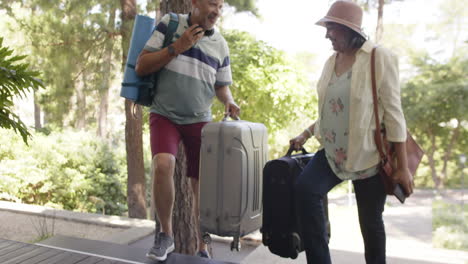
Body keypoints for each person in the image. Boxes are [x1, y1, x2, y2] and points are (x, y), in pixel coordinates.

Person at [289, 1, 413, 263]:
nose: (327, 35)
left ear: (349, 30)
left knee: (370, 224)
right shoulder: (329, 62)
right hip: (332, 153)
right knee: (305, 189)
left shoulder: (379, 58)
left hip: (368, 156)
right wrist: (305, 133)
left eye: (331, 28)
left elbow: (394, 114)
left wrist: (403, 167)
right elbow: (331, 111)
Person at [135, 0, 240, 261]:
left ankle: (203, 245)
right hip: (164, 113)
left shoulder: (220, 44)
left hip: (199, 120)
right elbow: (142, 65)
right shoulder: (169, 24)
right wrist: (177, 47)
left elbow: (221, 85)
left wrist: (229, 100)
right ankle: (166, 236)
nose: (216, 11)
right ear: (194, 2)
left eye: (220, 6)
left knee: (201, 185)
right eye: (212, 3)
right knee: (162, 164)